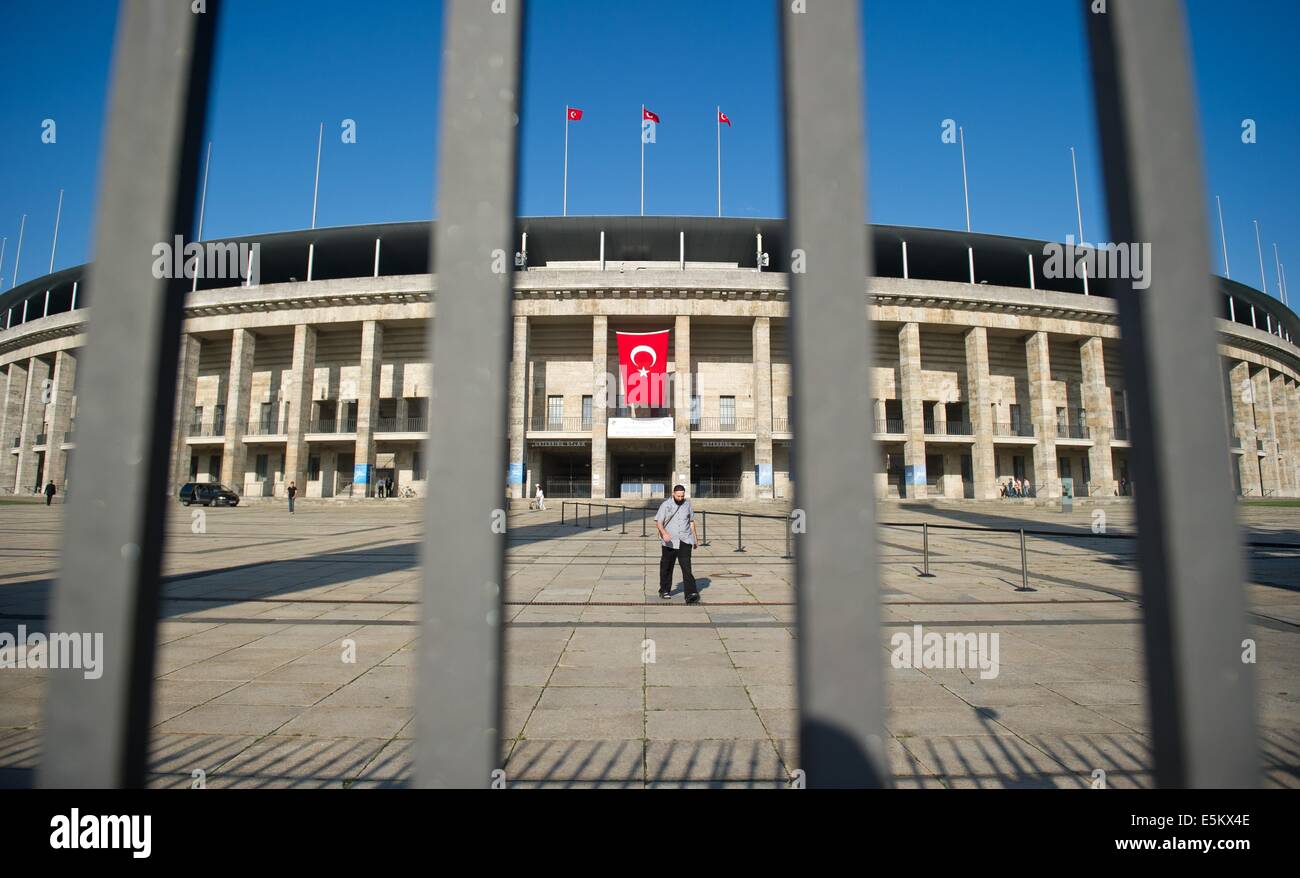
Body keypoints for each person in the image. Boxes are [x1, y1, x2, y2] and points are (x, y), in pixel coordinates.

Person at [655, 484, 701, 604]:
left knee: (686, 568)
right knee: (667, 567)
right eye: (678, 496)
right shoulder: (666, 505)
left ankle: (691, 593)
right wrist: (664, 533)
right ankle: (664, 590)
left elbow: (691, 522)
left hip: (685, 540)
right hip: (669, 542)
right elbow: (659, 522)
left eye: (682, 496)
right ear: (673, 494)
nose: (680, 498)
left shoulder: (687, 504)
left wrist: (696, 539)